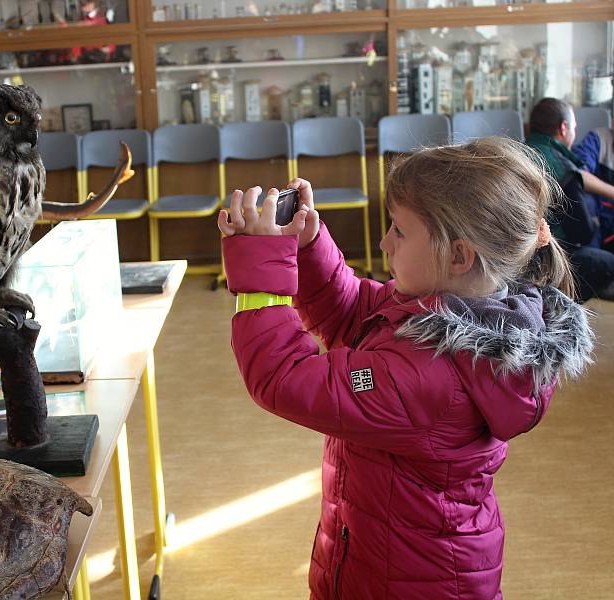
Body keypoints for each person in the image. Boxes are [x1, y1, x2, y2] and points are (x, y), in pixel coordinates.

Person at [217, 137, 594, 599]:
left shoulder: (431, 376)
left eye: (398, 230)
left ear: (458, 256)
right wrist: (308, 244)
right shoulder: (448, 307)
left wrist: (259, 285)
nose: (383, 242)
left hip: (410, 583)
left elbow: (286, 378)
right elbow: (356, 310)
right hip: (384, 559)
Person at [525, 97, 614, 301]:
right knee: (606, 263)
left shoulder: (517, 152)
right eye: (574, 127)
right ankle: (565, 307)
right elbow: (583, 232)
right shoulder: (562, 167)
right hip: (545, 260)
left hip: (515, 254)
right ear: (564, 128)